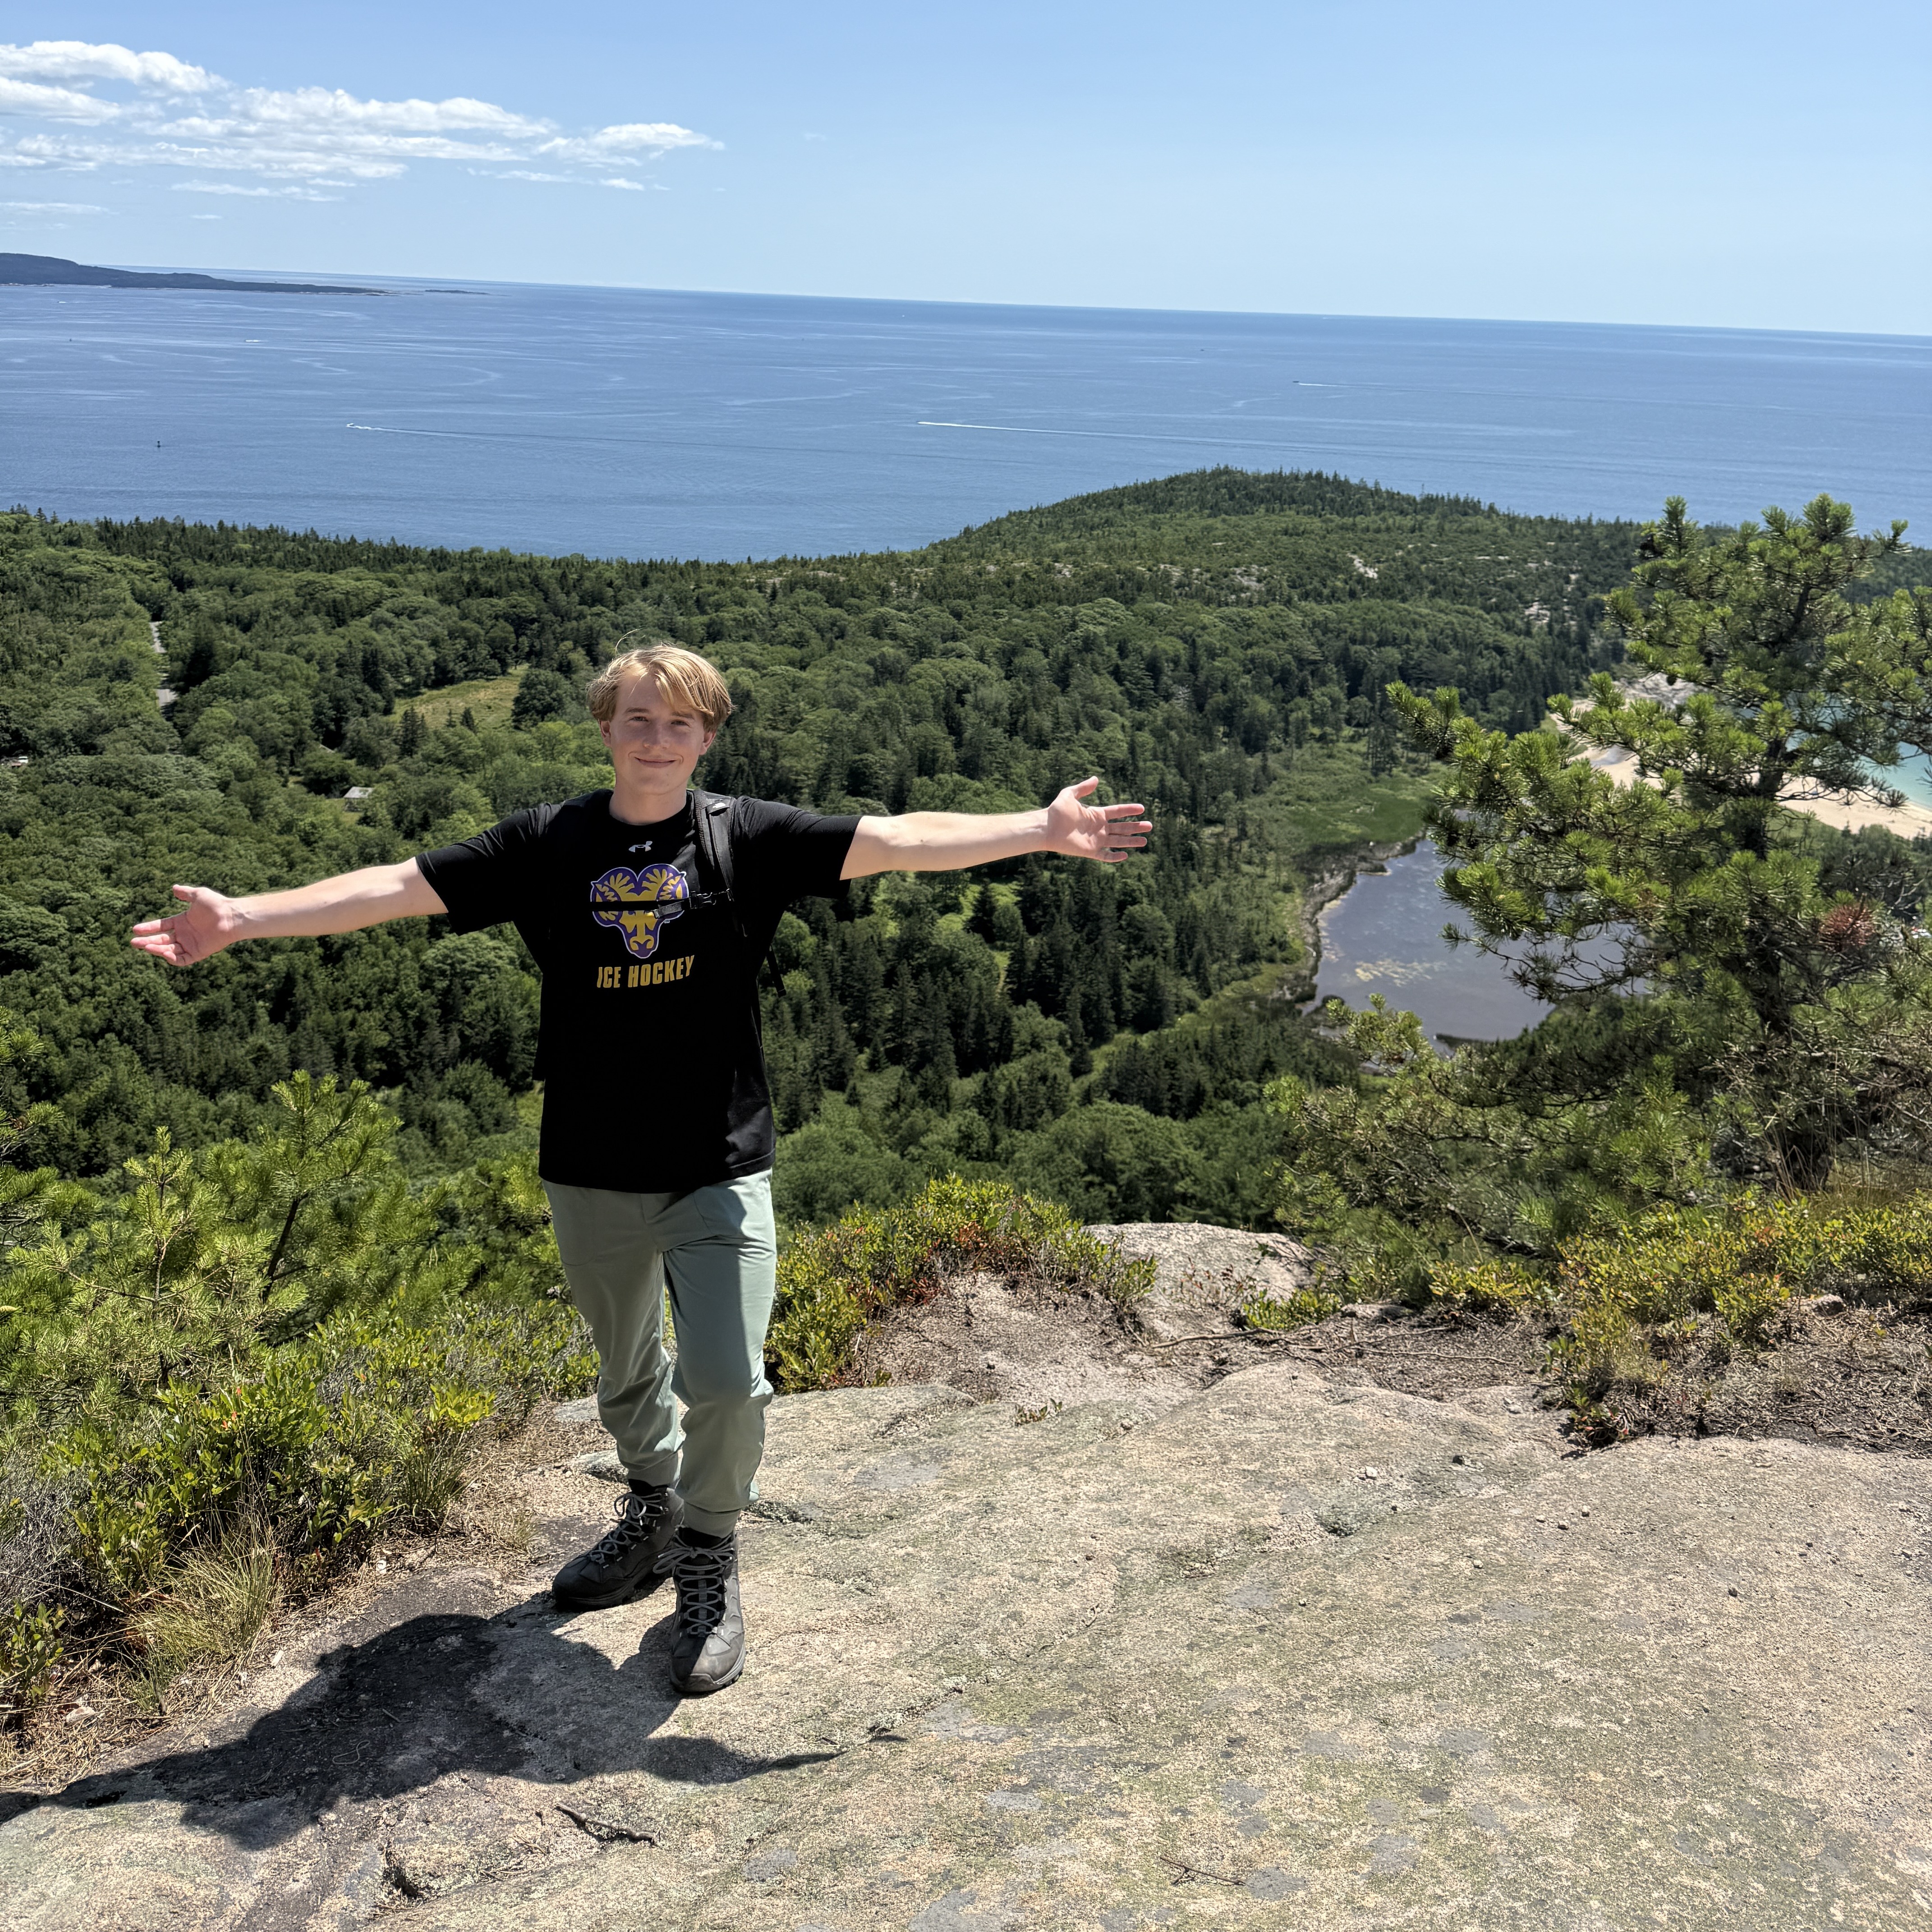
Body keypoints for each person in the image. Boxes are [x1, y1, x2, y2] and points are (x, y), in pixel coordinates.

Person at [131, 644, 1151, 1696]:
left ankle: (709, 1548)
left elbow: (895, 839)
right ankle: (653, 1506)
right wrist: (246, 917)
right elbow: (398, 887)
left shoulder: (744, 837)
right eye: (637, 719)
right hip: (590, 1165)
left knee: (726, 1379)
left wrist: (1040, 830)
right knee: (626, 1374)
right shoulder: (547, 843)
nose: (657, 739)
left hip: (715, 1161)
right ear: (606, 729)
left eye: (679, 723)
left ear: (707, 737)